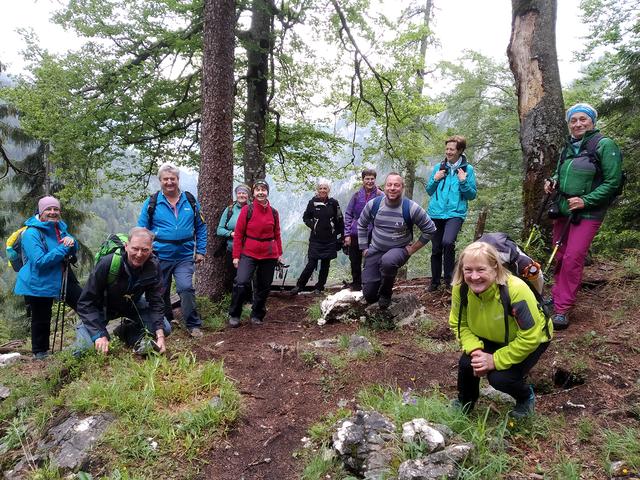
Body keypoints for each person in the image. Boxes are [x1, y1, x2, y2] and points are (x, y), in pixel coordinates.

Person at [449, 242, 552, 418]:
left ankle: (525, 397)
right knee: (468, 364)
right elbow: (459, 324)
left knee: (500, 378)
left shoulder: (515, 290)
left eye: (481, 270)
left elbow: (530, 337)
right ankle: (466, 401)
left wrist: (494, 360)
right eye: (468, 270)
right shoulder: (461, 288)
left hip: (531, 339)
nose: (474, 277)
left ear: (495, 268)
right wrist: (475, 351)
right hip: (491, 335)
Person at [544, 103, 623, 330]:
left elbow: (613, 183)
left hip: (588, 212)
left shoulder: (604, 145)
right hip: (564, 209)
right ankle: (557, 296)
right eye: (573, 120)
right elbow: (560, 172)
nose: (578, 124)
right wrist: (552, 182)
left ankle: (562, 308)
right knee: (560, 255)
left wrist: (586, 200)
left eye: (582, 119)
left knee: (573, 258)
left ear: (592, 121)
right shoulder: (568, 147)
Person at [74, 227, 171, 355]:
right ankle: (93, 336)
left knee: (165, 329)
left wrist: (160, 336)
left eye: (145, 250)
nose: (139, 254)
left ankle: (125, 332)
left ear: (151, 249)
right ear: (126, 246)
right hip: (102, 307)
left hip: (131, 304)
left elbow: (156, 301)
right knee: (83, 349)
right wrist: (99, 335)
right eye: (135, 248)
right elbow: (85, 302)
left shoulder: (153, 266)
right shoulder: (108, 263)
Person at [138, 163, 207, 338]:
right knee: (162, 290)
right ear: (160, 181)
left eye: (172, 179)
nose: (169, 182)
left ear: (178, 180)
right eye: (165, 179)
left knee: (185, 288)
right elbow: (142, 230)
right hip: (160, 255)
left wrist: (201, 251)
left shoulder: (190, 200)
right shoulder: (152, 202)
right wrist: (144, 253)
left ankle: (193, 324)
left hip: (184, 255)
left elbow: (201, 227)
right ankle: (166, 320)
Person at [14, 196, 82, 359]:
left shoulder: (59, 227)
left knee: (84, 303)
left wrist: (72, 242)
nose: (52, 212)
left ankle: (94, 336)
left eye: (56, 209)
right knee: (41, 317)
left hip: (62, 274)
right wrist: (64, 248)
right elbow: (39, 262)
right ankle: (40, 354)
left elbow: (72, 245)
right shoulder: (31, 233)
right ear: (40, 212)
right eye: (48, 209)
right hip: (38, 280)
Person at [357, 172, 436, 309]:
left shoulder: (411, 208)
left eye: (396, 185)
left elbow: (430, 229)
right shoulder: (374, 205)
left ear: (402, 188)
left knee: (388, 261)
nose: (392, 188)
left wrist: (412, 249)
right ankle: (379, 286)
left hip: (399, 250)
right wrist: (364, 248)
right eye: (389, 185)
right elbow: (362, 224)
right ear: (384, 187)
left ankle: (386, 293)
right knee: (369, 295)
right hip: (375, 249)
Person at [228, 180, 283, 327]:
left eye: (263, 190)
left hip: (269, 253)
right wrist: (236, 256)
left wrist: (279, 253)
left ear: (267, 192)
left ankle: (257, 314)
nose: (260, 192)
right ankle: (234, 314)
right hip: (249, 252)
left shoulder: (274, 212)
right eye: (258, 190)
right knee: (241, 282)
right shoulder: (248, 210)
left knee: (264, 285)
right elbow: (239, 234)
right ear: (253, 193)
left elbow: (277, 233)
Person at [425, 135, 477, 292]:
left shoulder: (468, 170)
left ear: (460, 151)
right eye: (447, 149)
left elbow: (471, 195)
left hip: (455, 214)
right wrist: (435, 178)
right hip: (436, 213)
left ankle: (449, 280)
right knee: (436, 248)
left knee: (448, 242)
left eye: (451, 149)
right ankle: (434, 282)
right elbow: (429, 190)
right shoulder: (439, 167)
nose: (448, 152)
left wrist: (463, 181)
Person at [290, 180, 344, 295]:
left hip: (330, 239)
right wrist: (313, 225)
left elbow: (339, 219)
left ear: (328, 190)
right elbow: (306, 217)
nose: (323, 190)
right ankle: (299, 286)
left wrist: (342, 236)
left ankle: (319, 287)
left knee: (325, 265)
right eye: (321, 188)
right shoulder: (312, 202)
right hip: (316, 240)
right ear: (317, 190)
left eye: (325, 188)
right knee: (311, 264)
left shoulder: (334, 203)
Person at [343, 169, 384, 291]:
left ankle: (370, 285)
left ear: (375, 180)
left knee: (371, 260)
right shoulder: (356, 196)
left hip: (373, 233)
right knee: (354, 260)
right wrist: (347, 234)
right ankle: (356, 285)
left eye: (372, 179)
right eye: (367, 178)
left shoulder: (380, 195)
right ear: (363, 180)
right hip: (355, 233)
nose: (370, 181)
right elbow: (348, 214)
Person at [216, 184, 251, 293]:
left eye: (244, 193)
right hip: (232, 248)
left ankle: (248, 300)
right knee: (232, 275)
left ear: (248, 195)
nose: (241, 195)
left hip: (249, 249)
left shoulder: (253, 208)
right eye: (239, 193)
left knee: (248, 277)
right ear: (236, 195)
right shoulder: (230, 210)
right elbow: (219, 229)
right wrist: (231, 234)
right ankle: (234, 299)